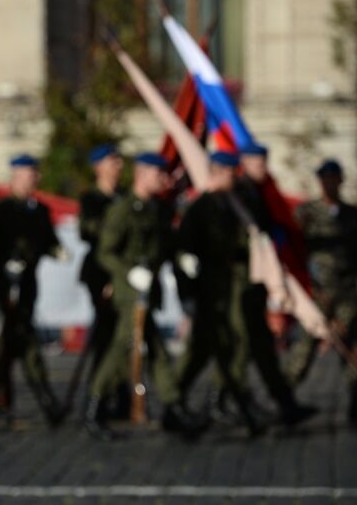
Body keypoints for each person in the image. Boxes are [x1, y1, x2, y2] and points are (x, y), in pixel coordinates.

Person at [86, 152, 197, 439]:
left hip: (150, 291)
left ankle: (173, 407)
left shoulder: (157, 210)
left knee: (157, 348)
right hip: (129, 293)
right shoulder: (122, 210)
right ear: (142, 174)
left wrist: (182, 257)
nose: (164, 180)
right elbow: (105, 252)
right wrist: (129, 272)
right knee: (123, 346)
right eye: (159, 174)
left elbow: (166, 244)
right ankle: (95, 406)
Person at [176, 151, 267, 437]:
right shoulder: (201, 207)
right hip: (205, 291)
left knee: (229, 344)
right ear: (216, 173)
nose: (234, 178)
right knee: (200, 351)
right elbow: (182, 250)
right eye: (229, 173)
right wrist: (187, 295)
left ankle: (217, 401)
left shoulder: (230, 205)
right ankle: (174, 400)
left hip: (225, 288)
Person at [226, 143, 317, 426]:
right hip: (240, 284)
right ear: (245, 163)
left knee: (262, 347)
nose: (262, 166)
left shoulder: (259, 193)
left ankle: (284, 404)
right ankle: (230, 401)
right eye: (256, 162)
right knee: (240, 347)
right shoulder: (237, 195)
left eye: (264, 161)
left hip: (257, 283)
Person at [0, 154, 67, 427]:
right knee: (6, 342)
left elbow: (48, 239)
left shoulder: (39, 210)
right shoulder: (2, 209)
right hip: (3, 288)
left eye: (32, 176)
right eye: (24, 176)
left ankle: (28, 399)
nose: (29, 181)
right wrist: (3, 268)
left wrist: (56, 250)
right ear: (14, 178)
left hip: (26, 288)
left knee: (24, 339)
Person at [293, 159, 357, 425]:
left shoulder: (352, 215)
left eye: (334, 178)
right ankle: (284, 398)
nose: (330, 182)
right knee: (304, 348)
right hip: (317, 292)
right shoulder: (306, 213)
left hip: (347, 293)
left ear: (341, 181)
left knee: (350, 345)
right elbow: (294, 250)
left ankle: (355, 403)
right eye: (325, 178)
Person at [79, 144, 125, 420]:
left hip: (121, 272)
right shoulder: (92, 199)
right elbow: (88, 232)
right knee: (106, 335)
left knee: (122, 336)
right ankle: (101, 393)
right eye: (111, 161)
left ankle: (117, 392)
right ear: (98, 167)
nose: (117, 165)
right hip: (99, 273)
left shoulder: (123, 197)